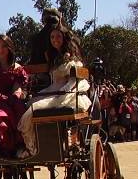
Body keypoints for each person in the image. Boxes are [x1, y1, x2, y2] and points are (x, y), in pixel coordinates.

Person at [18, 24, 91, 157]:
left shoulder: (70, 57)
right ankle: (38, 146)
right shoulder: (52, 57)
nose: (55, 39)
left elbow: (73, 80)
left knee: (33, 109)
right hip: (53, 90)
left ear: (64, 38)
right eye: (52, 37)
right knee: (30, 106)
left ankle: (36, 147)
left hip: (67, 91)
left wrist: (64, 92)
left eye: (58, 36)